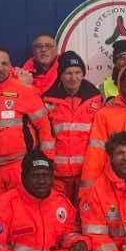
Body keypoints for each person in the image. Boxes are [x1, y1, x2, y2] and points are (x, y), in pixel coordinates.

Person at [0, 46, 54, 199]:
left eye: (4, 64)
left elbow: (44, 126)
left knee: (20, 212)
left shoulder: (23, 91)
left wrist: (46, 160)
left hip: (18, 167)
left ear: (10, 66)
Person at [43, 51, 102, 203]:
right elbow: (44, 137)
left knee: (86, 214)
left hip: (87, 173)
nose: (73, 77)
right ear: (60, 75)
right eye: (68, 73)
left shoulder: (97, 100)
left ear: (83, 74)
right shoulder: (48, 101)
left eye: (78, 72)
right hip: (58, 175)